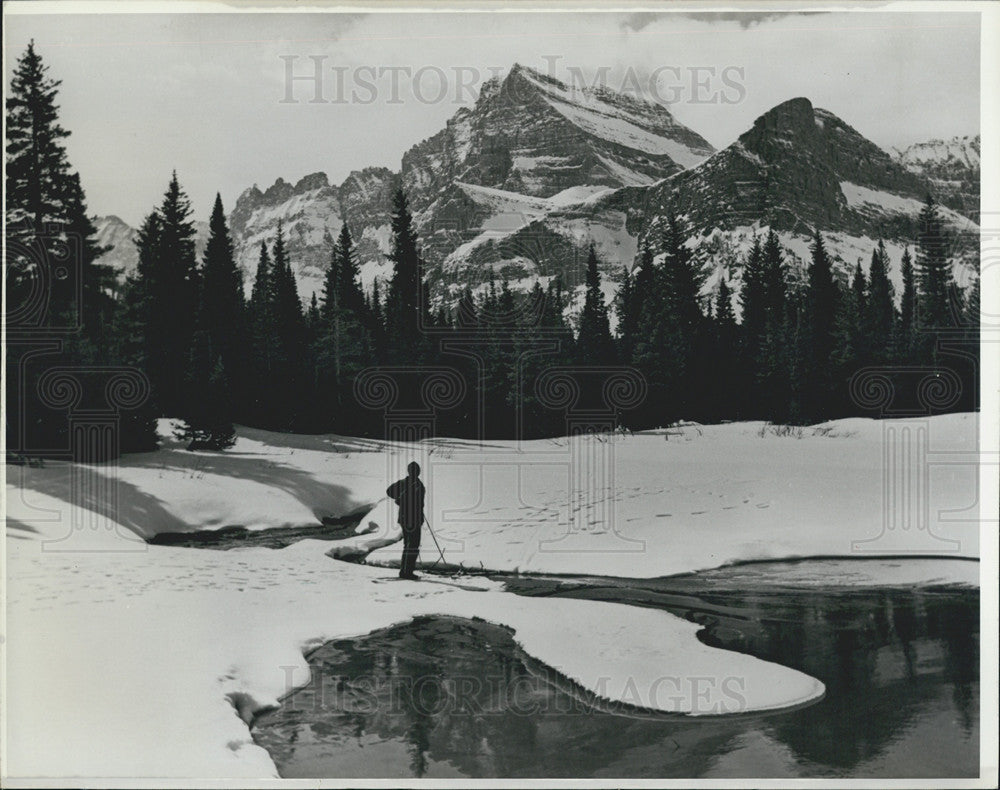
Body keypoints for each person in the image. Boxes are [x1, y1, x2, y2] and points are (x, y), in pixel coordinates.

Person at [386, 461, 425, 579]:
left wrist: (400, 499)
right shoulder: (417, 484)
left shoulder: (406, 483)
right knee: (413, 545)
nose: (417, 472)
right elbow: (390, 492)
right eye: (416, 470)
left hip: (406, 518)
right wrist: (400, 499)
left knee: (408, 545)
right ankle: (407, 572)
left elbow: (390, 491)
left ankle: (405, 571)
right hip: (412, 519)